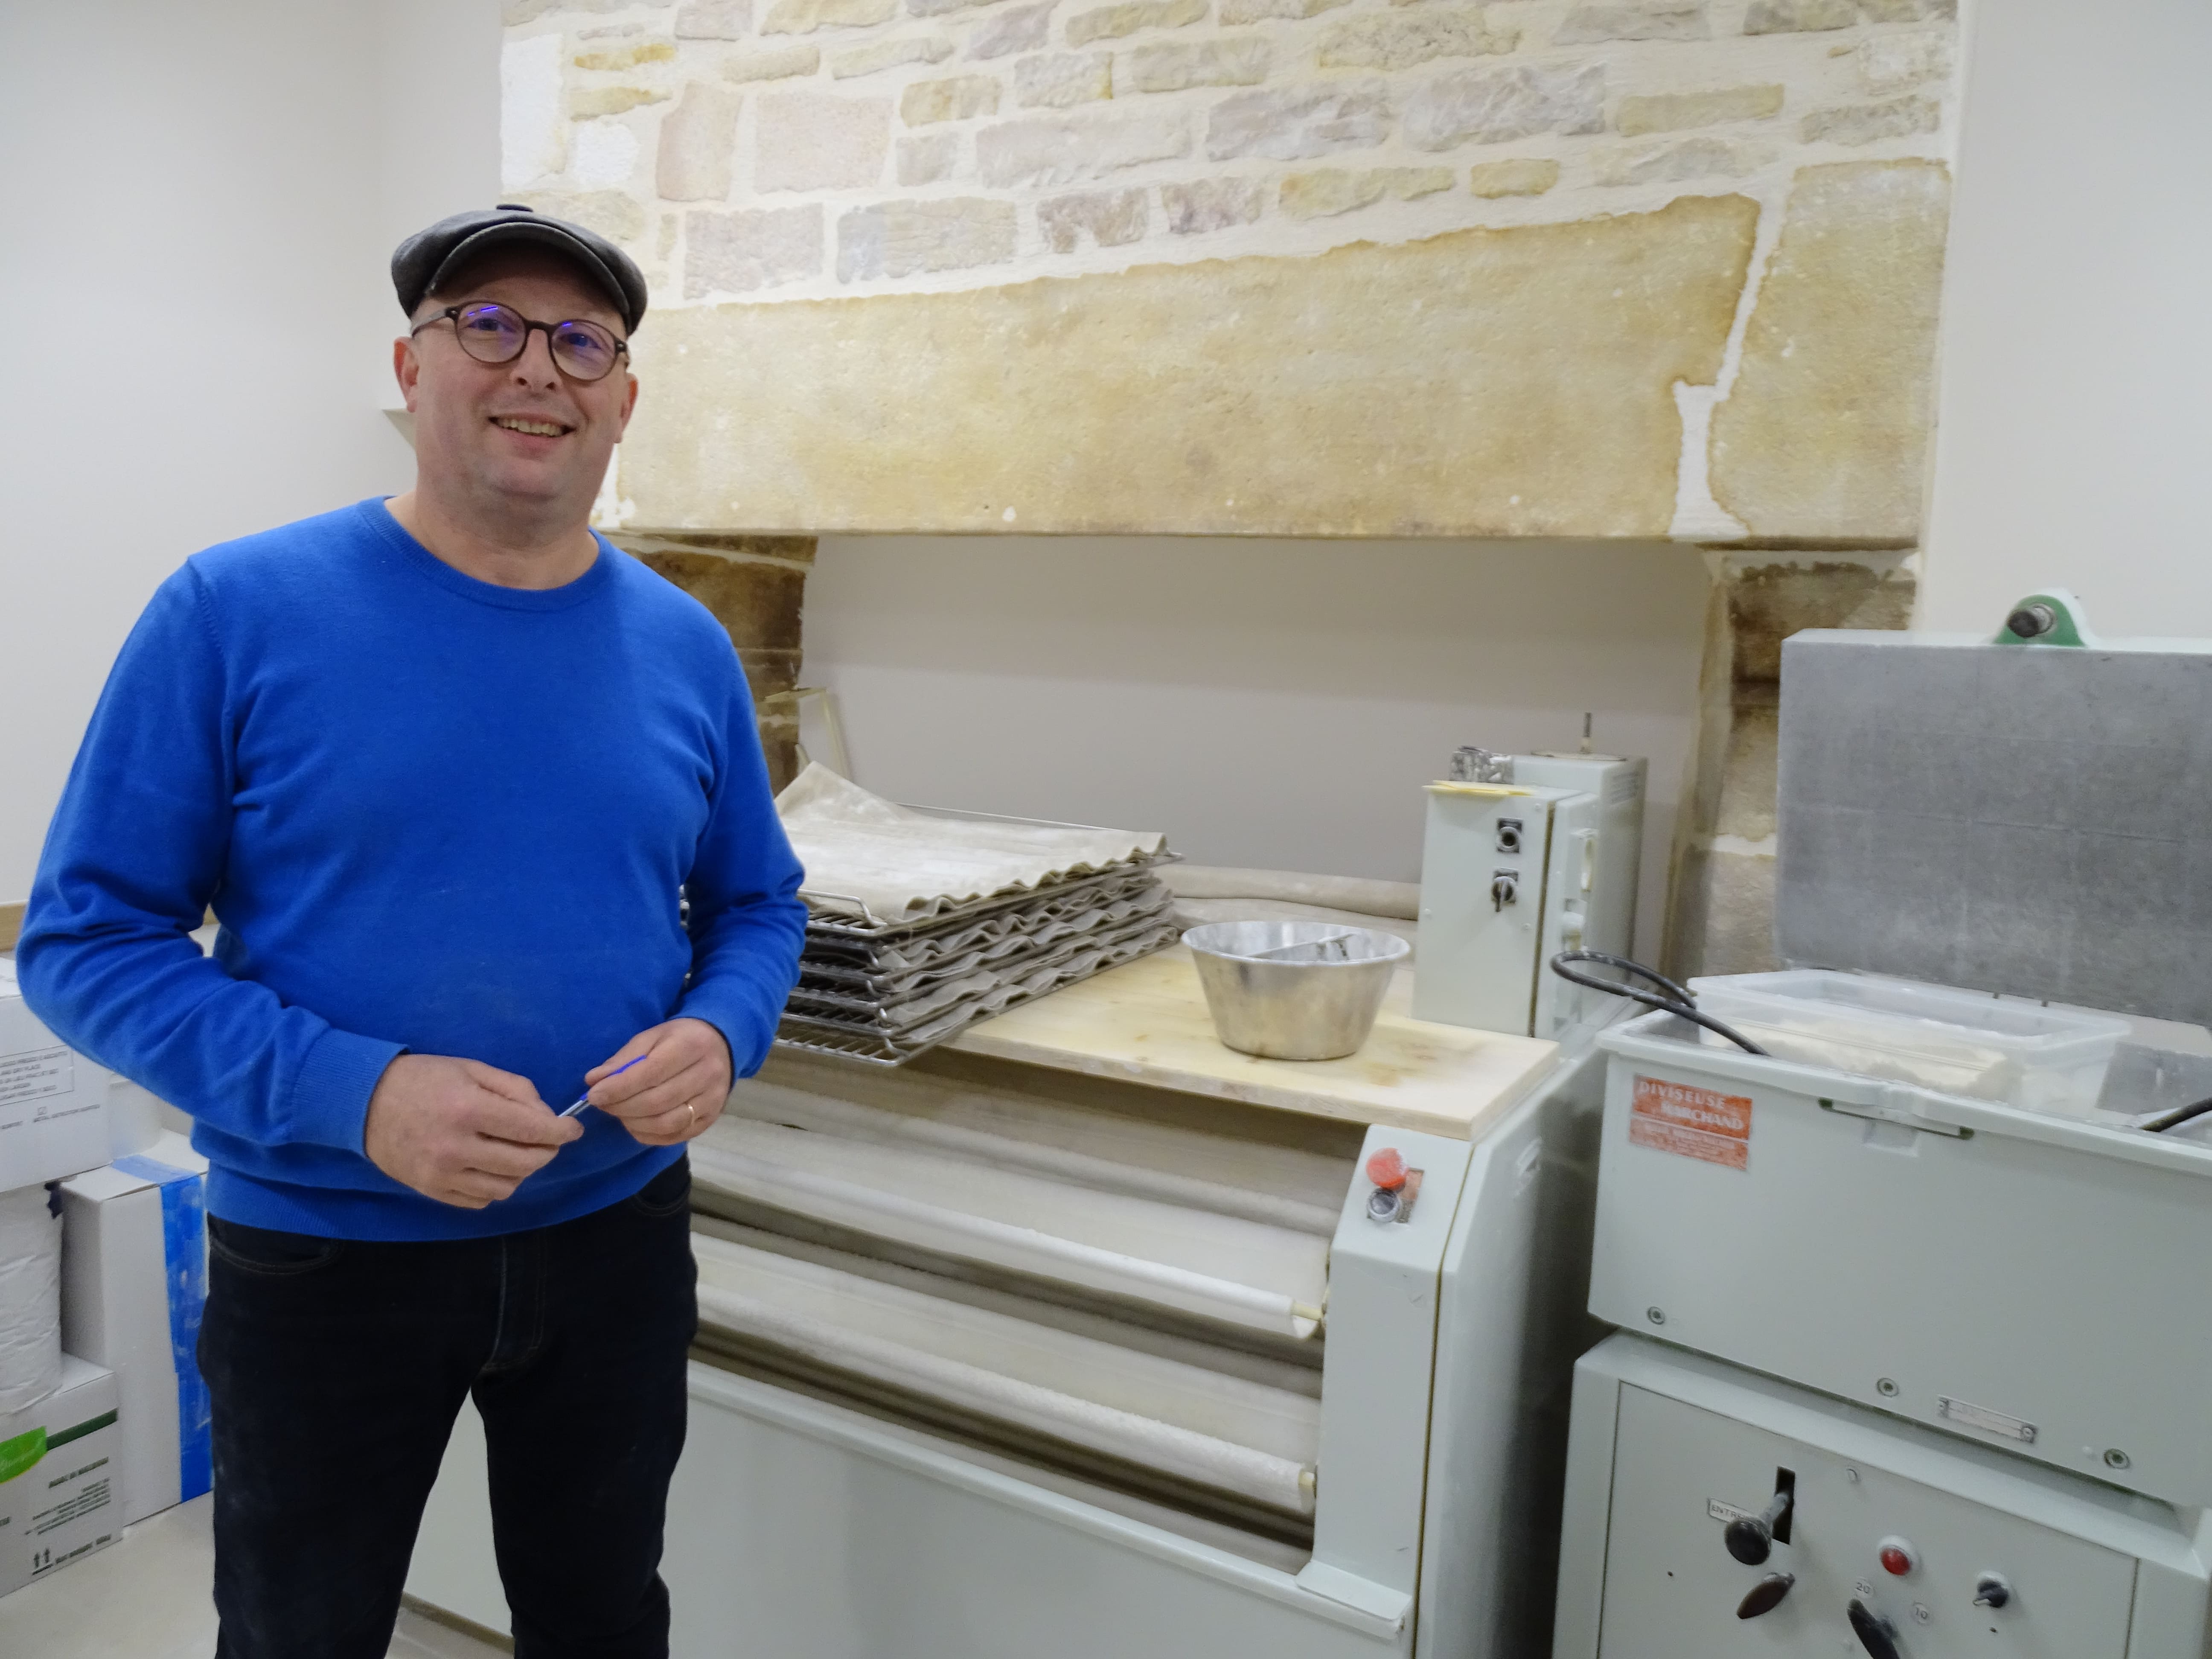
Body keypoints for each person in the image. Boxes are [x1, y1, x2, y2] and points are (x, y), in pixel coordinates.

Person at [17, 205, 806, 1659]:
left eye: (583, 341)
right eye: (487, 325)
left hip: (616, 1238)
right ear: (410, 366)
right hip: (323, 1259)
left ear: (623, 400)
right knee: (299, 1632)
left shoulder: (685, 644)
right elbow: (83, 941)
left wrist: (721, 1027)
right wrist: (357, 1096)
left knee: (605, 1616)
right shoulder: (234, 610)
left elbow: (758, 903)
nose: (538, 370)